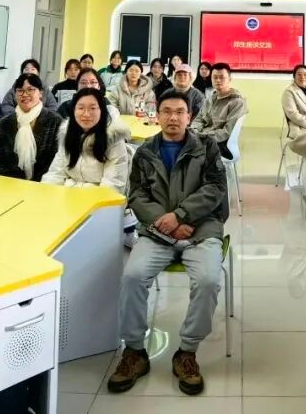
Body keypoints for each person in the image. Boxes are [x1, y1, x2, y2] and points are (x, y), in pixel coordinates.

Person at [109, 90, 228, 397]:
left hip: (200, 229)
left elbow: (215, 189)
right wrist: (167, 221)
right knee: (132, 276)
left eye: (179, 112)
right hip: (157, 231)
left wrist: (181, 215)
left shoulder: (207, 147)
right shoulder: (146, 152)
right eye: (166, 111)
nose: (173, 117)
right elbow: (137, 195)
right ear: (157, 115)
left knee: (208, 280)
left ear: (190, 117)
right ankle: (134, 350)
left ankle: (187, 351)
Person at [42, 87, 130, 191]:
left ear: (102, 111)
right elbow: (55, 173)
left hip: (99, 196)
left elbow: (113, 185)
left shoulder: (113, 138)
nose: (86, 114)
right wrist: (47, 193)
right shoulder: (67, 134)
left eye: (92, 108)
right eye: (81, 108)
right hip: (68, 192)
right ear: (74, 110)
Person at [0, 74, 63, 181]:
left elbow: (56, 161)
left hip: (45, 183)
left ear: (41, 93)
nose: (25, 94)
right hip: (11, 183)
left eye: (30, 90)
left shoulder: (55, 122)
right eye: (20, 91)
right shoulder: (3, 124)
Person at [190, 63, 247, 159]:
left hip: (221, 145)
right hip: (203, 138)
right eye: (215, 77)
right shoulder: (210, 99)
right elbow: (199, 119)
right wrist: (194, 131)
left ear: (230, 79)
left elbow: (227, 132)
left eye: (222, 77)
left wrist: (202, 137)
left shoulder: (237, 102)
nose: (218, 80)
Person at [282, 64, 306, 159]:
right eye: (299, 74)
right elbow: (293, 115)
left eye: (305, 74)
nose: (302, 77)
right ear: (294, 76)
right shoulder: (289, 92)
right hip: (302, 130)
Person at [57, 68, 122, 122]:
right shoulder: (65, 108)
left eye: (93, 82)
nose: (88, 86)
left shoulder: (108, 107)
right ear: (77, 87)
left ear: (99, 86)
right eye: (83, 83)